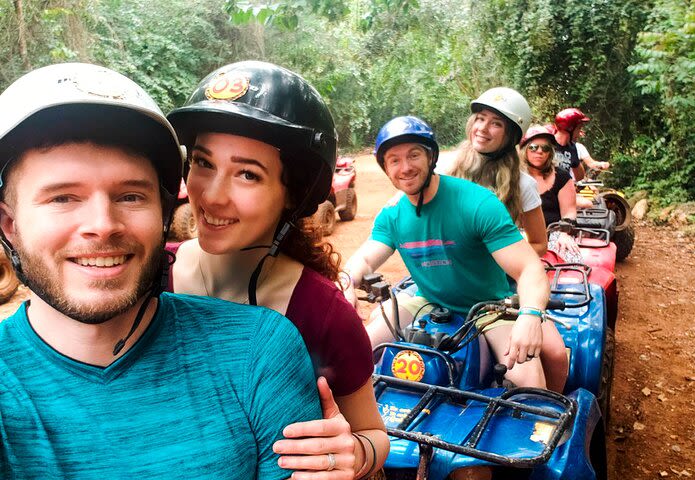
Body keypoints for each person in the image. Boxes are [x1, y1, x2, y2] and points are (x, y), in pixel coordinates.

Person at [0, 63, 322, 479]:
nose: (103, 224)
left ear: (163, 214)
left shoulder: (260, 349)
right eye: (63, 198)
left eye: (131, 196)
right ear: (9, 224)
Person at [166, 60, 388, 479]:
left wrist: (351, 454)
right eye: (203, 163)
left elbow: (374, 434)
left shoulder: (320, 312)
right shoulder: (151, 276)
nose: (212, 196)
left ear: (293, 194)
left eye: (247, 174)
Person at [342, 115, 558, 392]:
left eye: (414, 155)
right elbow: (364, 258)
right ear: (386, 168)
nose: (405, 167)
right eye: (394, 160)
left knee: (528, 384)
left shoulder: (477, 203)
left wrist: (529, 315)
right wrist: (347, 283)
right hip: (426, 300)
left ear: (431, 157)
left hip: (489, 307)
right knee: (354, 354)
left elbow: (529, 268)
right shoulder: (393, 214)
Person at [438, 87, 547, 257]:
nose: (482, 128)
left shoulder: (522, 184)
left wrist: (492, 262)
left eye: (496, 123)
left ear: (511, 135)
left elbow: (539, 244)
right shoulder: (444, 169)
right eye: (480, 119)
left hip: (495, 279)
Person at [521, 125, 583, 264]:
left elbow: (569, 211)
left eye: (545, 148)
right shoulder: (513, 176)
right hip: (521, 231)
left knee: (573, 258)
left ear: (550, 152)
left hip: (554, 231)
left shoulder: (561, 176)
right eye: (533, 147)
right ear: (525, 149)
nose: (539, 151)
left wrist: (564, 233)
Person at [553, 108, 609, 182]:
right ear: (569, 128)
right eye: (579, 128)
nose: (579, 134)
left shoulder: (572, 148)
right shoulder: (547, 144)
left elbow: (580, 178)